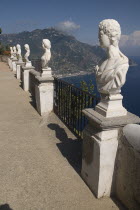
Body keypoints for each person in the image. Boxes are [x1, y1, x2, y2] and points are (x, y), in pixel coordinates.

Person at [94, 19, 129, 94]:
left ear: (111, 36)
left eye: (100, 35)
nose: (98, 38)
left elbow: (119, 80)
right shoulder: (102, 61)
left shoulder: (122, 63)